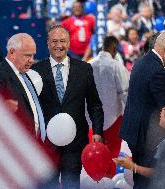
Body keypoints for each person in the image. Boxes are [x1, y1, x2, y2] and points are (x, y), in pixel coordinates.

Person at [32, 25, 104, 189]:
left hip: (75, 143)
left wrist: (98, 132)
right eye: (55, 41)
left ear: (69, 43)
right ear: (48, 43)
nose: (59, 45)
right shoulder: (35, 71)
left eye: (63, 41)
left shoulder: (84, 69)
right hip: (46, 144)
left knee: (71, 185)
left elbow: (95, 104)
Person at [119, 31, 165, 189]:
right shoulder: (158, 71)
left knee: (140, 179)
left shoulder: (141, 61)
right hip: (149, 137)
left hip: (135, 132)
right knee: (150, 181)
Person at [0, 33, 46, 141]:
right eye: (27, 55)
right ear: (12, 52)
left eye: (33, 55)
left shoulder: (25, 76)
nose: (32, 60)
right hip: (13, 146)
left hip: (33, 145)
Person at [89, 35, 129, 177]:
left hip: (92, 121)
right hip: (113, 119)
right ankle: (109, 182)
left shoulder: (89, 64)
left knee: (94, 154)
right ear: (114, 49)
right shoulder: (117, 66)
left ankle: (94, 183)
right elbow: (125, 94)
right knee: (111, 155)